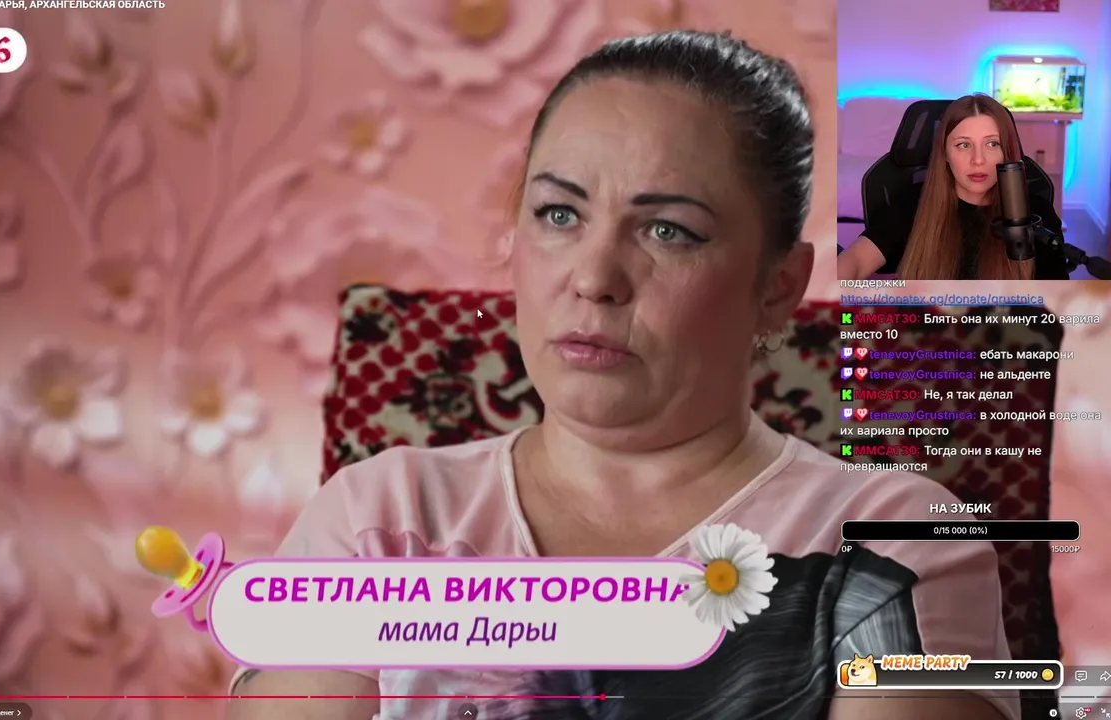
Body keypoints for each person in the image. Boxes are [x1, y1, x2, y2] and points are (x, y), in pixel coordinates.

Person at [226, 32, 1018, 720]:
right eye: (559, 214)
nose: (594, 277)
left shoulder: (890, 539)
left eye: (669, 230)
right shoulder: (379, 517)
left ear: (778, 284)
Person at [838, 93, 1069, 280]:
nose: (978, 160)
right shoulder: (913, 203)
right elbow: (857, 261)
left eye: (992, 144)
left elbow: (1057, 301)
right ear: (945, 154)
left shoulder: (1036, 213)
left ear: (1006, 152)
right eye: (963, 145)